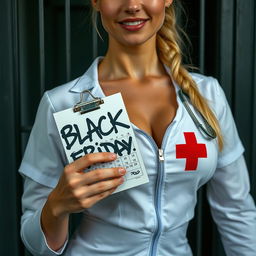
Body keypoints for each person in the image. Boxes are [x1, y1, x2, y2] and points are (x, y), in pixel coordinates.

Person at [19, 0, 256, 255]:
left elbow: (236, 210)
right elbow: (35, 244)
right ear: (96, 2)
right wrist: (57, 205)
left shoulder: (207, 95)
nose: (132, 5)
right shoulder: (62, 104)